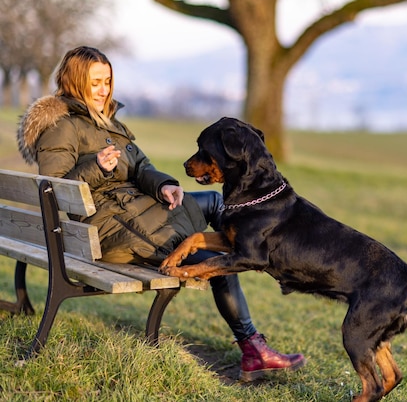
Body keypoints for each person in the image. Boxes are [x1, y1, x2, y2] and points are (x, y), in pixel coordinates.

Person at [17, 45, 305, 381]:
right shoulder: (63, 127)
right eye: (95, 82)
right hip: (114, 230)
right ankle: (253, 348)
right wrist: (95, 167)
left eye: (107, 81)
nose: (104, 90)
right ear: (74, 82)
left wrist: (164, 185)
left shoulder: (105, 122)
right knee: (216, 254)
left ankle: (253, 259)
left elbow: (140, 166)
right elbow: (54, 189)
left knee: (214, 202)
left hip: (133, 212)